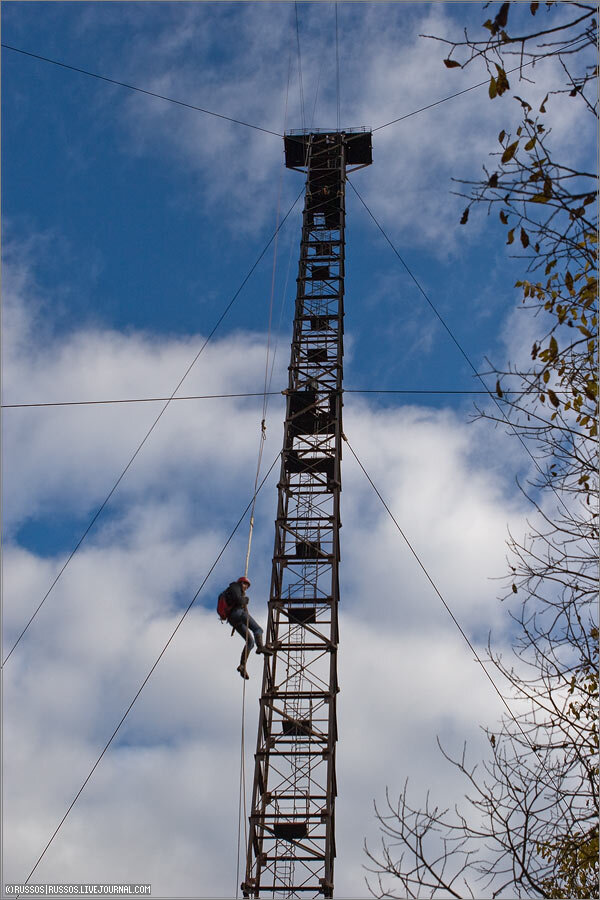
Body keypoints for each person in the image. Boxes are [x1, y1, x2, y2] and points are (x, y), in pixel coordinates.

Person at [224, 576, 273, 679]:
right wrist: (245, 600)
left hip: (234, 619)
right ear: (241, 583)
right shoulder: (235, 587)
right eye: (245, 584)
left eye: (247, 586)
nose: (246, 587)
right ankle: (260, 647)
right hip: (238, 614)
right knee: (258, 629)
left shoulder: (234, 590)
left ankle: (242, 665)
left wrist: (244, 601)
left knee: (250, 642)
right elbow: (240, 601)